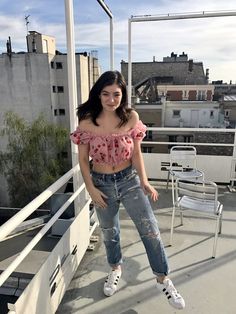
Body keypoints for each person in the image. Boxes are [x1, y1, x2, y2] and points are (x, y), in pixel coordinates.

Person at [70, 70, 185, 310]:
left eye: (116, 94)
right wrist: (90, 188)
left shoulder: (131, 118)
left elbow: (136, 153)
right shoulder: (87, 121)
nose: (111, 99)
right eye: (105, 94)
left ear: (123, 95)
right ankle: (115, 268)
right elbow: (82, 160)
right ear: (98, 95)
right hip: (101, 183)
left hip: (128, 180)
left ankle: (163, 279)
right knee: (110, 232)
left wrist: (144, 181)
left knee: (150, 229)